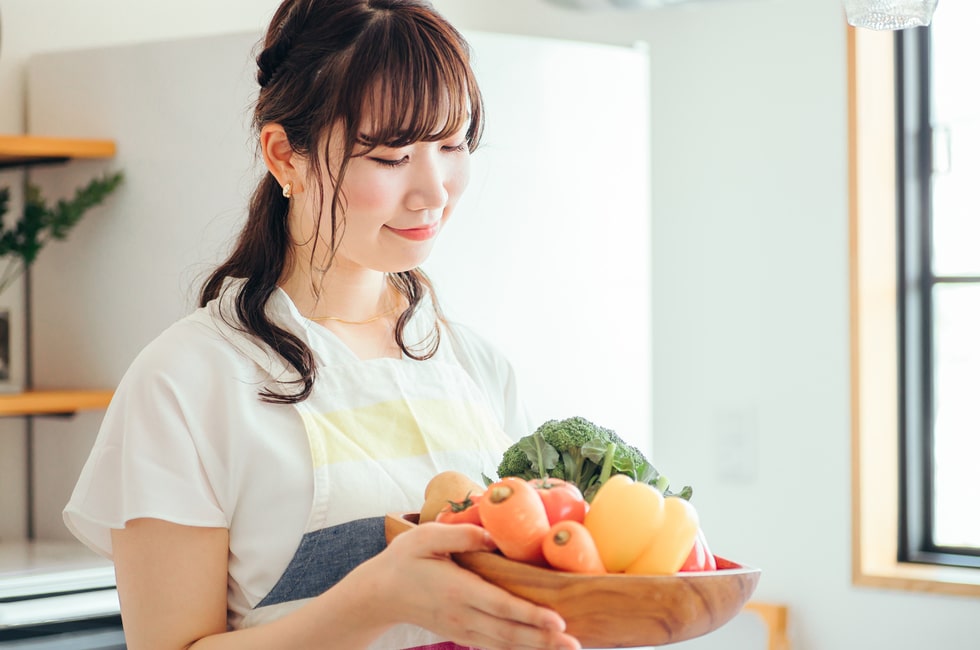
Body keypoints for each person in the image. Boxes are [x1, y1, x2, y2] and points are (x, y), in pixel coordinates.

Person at [63, 1, 582, 649]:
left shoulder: (475, 367)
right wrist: (374, 600)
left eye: (452, 146)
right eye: (390, 156)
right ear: (285, 156)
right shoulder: (187, 383)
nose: (433, 191)